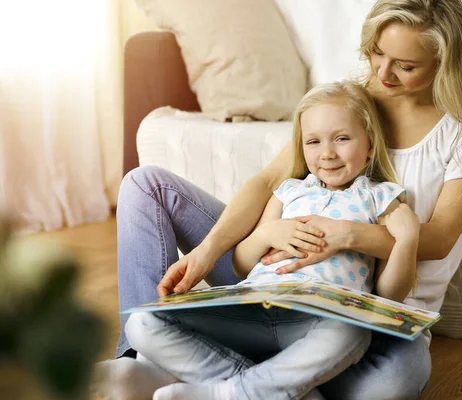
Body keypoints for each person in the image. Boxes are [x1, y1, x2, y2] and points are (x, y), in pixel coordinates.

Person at [105, 0, 462, 399]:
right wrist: (209, 251)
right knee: (146, 186)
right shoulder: (352, 101)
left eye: (405, 66)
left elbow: (437, 238)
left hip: (374, 301)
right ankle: (144, 357)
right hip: (277, 276)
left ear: (444, 63)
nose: (382, 73)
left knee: (388, 388)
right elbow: (268, 182)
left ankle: (213, 377)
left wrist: (347, 236)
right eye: (377, 53)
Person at [116, 81, 419, 400]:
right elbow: (241, 265)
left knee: (353, 330)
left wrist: (408, 239)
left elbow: (389, 294)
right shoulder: (289, 190)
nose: (327, 153)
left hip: (318, 321)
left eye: (342, 139)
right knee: (142, 323)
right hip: (253, 305)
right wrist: (265, 234)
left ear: (370, 144)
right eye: (313, 141)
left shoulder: (382, 199)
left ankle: (230, 394)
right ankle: (265, 391)